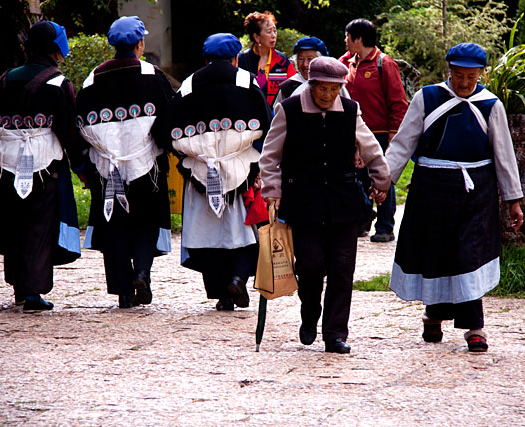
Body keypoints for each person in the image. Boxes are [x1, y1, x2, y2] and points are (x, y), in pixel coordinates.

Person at [385, 43, 524, 352]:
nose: (463, 83)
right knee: (435, 251)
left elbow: (504, 155)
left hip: (476, 192)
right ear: (448, 72)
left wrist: (513, 199)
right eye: (458, 75)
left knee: (468, 255)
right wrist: (383, 182)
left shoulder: (490, 105)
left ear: (481, 74)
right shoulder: (428, 98)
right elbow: (403, 143)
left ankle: (475, 326)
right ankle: (433, 315)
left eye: (470, 77)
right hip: (431, 189)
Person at [259, 57, 390, 354]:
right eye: (323, 88)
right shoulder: (289, 109)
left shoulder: (349, 110)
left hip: (344, 202)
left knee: (343, 269)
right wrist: (272, 189)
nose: (328, 95)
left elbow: (370, 147)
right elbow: (270, 155)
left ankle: (335, 334)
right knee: (310, 266)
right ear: (311, 84)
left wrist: (381, 180)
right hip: (302, 201)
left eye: (334, 89)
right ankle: (309, 312)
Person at [153, 33, 272, 311]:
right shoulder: (247, 82)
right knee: (244, 231)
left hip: (200, 172)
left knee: (207, 234)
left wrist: (186, 154)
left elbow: (165, 130)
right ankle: (238, 277)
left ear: (205, 59)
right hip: (240, 169)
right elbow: (266, 125)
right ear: (235, 58)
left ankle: (222, 294)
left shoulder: (189, 85)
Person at [0, 20, 84, 312]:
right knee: (38, 225)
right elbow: (69, 132)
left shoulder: (6, 80)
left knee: (13, 221)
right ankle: (33, 293)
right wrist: (82, 167)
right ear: (56, 48)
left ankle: (20, 289)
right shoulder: (58, 84)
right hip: (43, 165)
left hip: (5, 164)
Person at [76, 16, 175, 308]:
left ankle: (123, 291)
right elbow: (169, 120)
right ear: (140, 44)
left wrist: (83, 166)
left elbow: (79, 125)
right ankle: (142, 272)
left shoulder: (92, 79)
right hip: (147, 168)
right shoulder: (152, 76)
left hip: (106, 170)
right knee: (147, 221)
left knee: (115, 226)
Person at [340, 18, 408, 242]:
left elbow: (398, 103)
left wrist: (393, 136)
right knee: (355, 178)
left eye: (348, 37)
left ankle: (385, 226)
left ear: (358, 39)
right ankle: (363, 218)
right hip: (352, 133)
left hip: (379, 133)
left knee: (381, 177)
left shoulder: (384, 64)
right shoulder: (347, 62)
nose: (345, 41)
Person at [238, 11, 296, 106]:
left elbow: (294, 88)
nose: (273, 35)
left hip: (275, 116)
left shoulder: (282, 61)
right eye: (269, 32)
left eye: (275, 30)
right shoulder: (242, 60)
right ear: (256, 37)